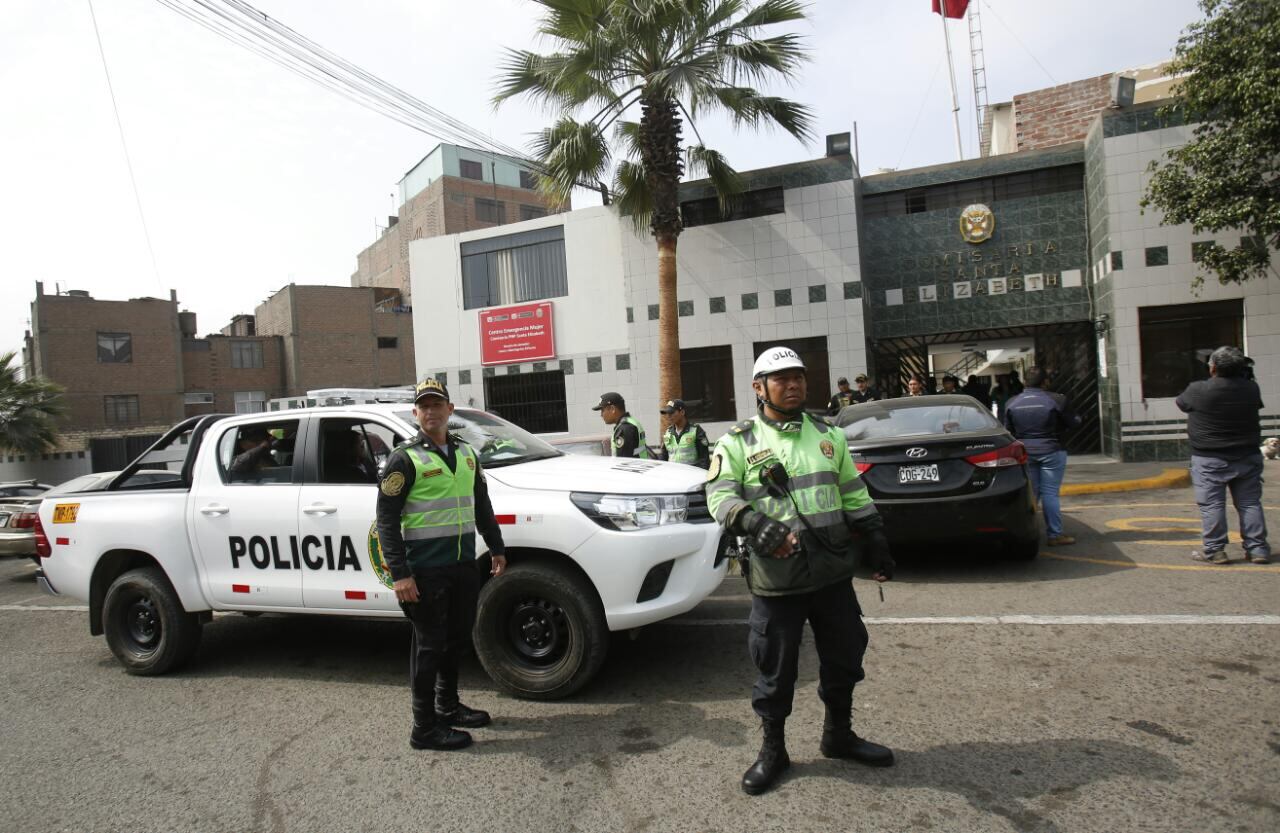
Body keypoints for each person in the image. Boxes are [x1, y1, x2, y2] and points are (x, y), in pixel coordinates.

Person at [706, 346, 896, 796]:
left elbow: (852, 492)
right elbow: (719, 497)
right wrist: (752, 521)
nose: (792, 385)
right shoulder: (739, 441)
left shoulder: (829, 435)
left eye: (798, 377)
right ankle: (774, 751)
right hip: (777, 580)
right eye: (781, 379)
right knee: (776, 670)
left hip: (832, 575)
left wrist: (876, 537)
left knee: (846, 656)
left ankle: (839, 736)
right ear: (759, 387)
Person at [375, 378, 508, 751]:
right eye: (424, 406)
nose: (431, 411)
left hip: (463, 566)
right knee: (430, 647)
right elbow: (386, 520)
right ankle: (424, 728)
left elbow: (481, 504)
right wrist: (400, 574)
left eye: (438, 404)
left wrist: (496, 547)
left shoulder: (467, 453)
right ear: (416, 414)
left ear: (450, 410)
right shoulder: (404, 459)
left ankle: (447, 707)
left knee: (455, 640)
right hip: (425, 571)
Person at [1177, 346, 1270, 564]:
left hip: (1210, 458)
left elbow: (1182, 403)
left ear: (1213, 368)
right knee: (1249, 503)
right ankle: (1257, 549)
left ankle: (1215, 550)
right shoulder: (1251, 388)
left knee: (1212, 505)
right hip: (1247, 455)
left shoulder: (1198, 389)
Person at [1003, 367, 1082, 547]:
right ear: (1045, 382)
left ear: (1025, 382)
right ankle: (1055, 535)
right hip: (1052, 450)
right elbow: (1074, 422)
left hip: (1026, 453)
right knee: (1050, 494)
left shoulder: (1012, 402)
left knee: (1032, 494)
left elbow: (1008, 430)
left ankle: (1026, 534)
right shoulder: (1057, 400)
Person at [592, 391, 651, 458]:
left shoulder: (625, 428)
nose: (601, 415)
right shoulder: (632, 421)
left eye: (602, 410)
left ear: (612, 409)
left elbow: (624, 461)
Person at [656, 399, 711, 468]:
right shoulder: (668, 432)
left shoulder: (696, 430)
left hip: (691, 475)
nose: (668, 416)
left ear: (682, 412)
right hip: (672, 475)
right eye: (667, 413)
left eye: (671, 413)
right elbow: (663, 458)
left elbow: (704, 460)